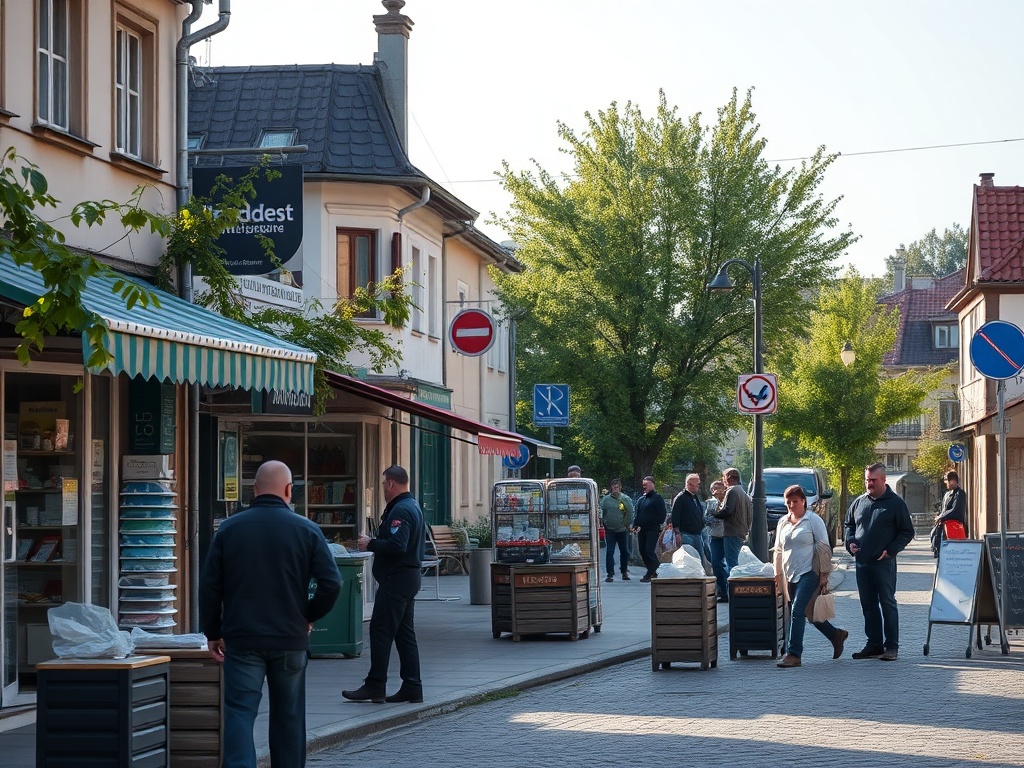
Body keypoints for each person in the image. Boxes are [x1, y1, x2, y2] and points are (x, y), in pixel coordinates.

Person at [199, 460, 341, 768]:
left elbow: (210, 586)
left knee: (239, 712)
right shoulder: (307, 530)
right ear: (289, 490)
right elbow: (332, 583)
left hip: (243, 637)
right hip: (290, 637)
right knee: (288, 717)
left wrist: (213, 632)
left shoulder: (229, 530)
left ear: (254, 490)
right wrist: (309, 615)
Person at [343, 465, 426, 704]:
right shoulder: (412, 506)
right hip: (407, 578)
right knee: (404, 634)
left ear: (390, 483)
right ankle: (412, 685)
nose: (383, 488)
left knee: (380, 631)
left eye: (383, 484)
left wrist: (370, 543)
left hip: (397, 580)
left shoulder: (401, 510)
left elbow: (397, 545)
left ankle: (375, 686)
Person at [844, 462, 915, 661]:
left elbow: (907, 532)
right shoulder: (859, 502)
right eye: (867, 479)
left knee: (887, 603)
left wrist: (891, 550)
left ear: (884, 480)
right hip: (862, 563)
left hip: (883, 563)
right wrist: (850, 542)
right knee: (868, 605)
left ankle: (891, 646)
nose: (869, 484)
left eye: (873, 480)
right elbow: (849, 524)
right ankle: (874, 644)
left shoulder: (895, 503)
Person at [773, 484, 848, 668]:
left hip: (809, 572)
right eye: (788, 502)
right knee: (808, 612)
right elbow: (778, 549)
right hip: (790, 574)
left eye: (795, 501)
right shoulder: (783, 522)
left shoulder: (812, 520)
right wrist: (777, 574)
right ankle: (835, 635)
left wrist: (824, 574)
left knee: (798, 611)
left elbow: (824, 547)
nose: (791, 505)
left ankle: (794, 653)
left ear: (804, 501)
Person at [711, 467, 752, 602]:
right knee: (731, 563)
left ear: (729, 478)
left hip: (731, 532)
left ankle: (733, 594)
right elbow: (749, 515)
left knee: (731, 564)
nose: (723, 481)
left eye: (724, 478)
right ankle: (731, 593)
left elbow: (728, 511)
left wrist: (714, 513)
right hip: (740, 531)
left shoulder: (732, 491)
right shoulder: (743, 492)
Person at [670, 473, 711, 571]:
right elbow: (675, 516)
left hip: (697, 533)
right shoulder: (681, 498)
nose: (698, 486)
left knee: (700, 560)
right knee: (689, 561)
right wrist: (677, 533)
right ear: (689, 484)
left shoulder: (694, 497)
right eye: (697, 484)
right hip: (686, 534)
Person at [631, 475, 666, 582]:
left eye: (647, 484)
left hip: (652, 529)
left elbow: (662, 514)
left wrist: (657, 524)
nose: (644, 486)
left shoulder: (657, 498)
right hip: (642, 529)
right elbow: (638, 513)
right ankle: (653, 571)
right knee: (642, 551)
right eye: (643, 484)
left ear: (653, 485)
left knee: (649, 550)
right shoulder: (641, 499)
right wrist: (635, 524)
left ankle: (655, 571)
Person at [601, 478, 634, 582]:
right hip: (610, 530)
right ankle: (610, 573)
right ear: (611, 488)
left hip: (622, 530)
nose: (616, 489)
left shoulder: (625, 499)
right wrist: (603, 523)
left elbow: (629, 513)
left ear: (620, 487)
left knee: (624, 551)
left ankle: (624, 571)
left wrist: (627, 525)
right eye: (614, 487)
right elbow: (602, 512)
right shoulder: (606, 500)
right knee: (609, 551)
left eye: (617, 487)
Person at [931, 470, 967, 557]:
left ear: (953, 480)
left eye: (946, 480)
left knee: (952, 555)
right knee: (941, 553)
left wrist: (941, 517)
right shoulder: (947, 494)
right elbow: (943, 510)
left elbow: (955, 510)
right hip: (943, 528)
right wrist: (939, 516)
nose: (945, 483)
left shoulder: (960, 493)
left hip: (953, 529)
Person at [703, 480, 726, 563]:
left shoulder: (728, 501)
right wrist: (717, 518)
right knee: (716, 561)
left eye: (719, 488)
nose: (717, 490)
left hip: (728, 535)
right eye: (714, 488)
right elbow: (706, 519)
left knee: (728, 560)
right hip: (714, 535)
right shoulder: (709, 503)